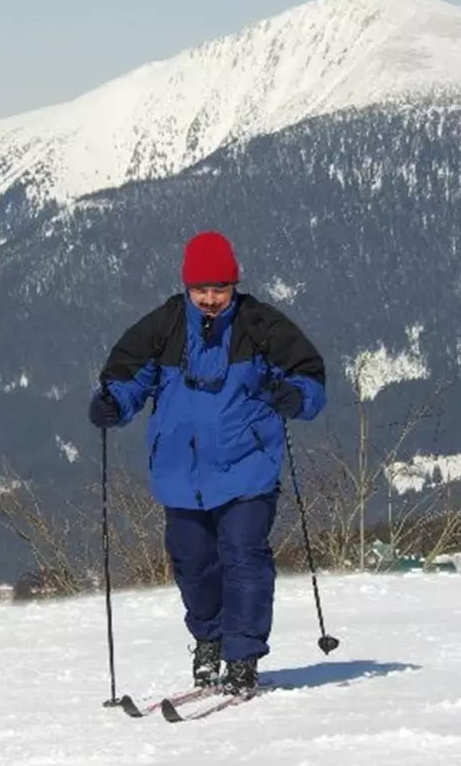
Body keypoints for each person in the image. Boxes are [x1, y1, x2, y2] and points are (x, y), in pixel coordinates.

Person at [88, 229, 327, 694]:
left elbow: (311, 380)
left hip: (247, 468)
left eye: (220, 289)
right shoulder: (164, 327)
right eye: (202, 290)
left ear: (234, 285)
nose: (211, 299)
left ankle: (242, 656)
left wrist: (294, 396)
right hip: (181, 474)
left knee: (243, 559)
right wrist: (113, 404)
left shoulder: (262, 327)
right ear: (187, 287)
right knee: (193, 564)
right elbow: (126, 377)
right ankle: (210, 642)